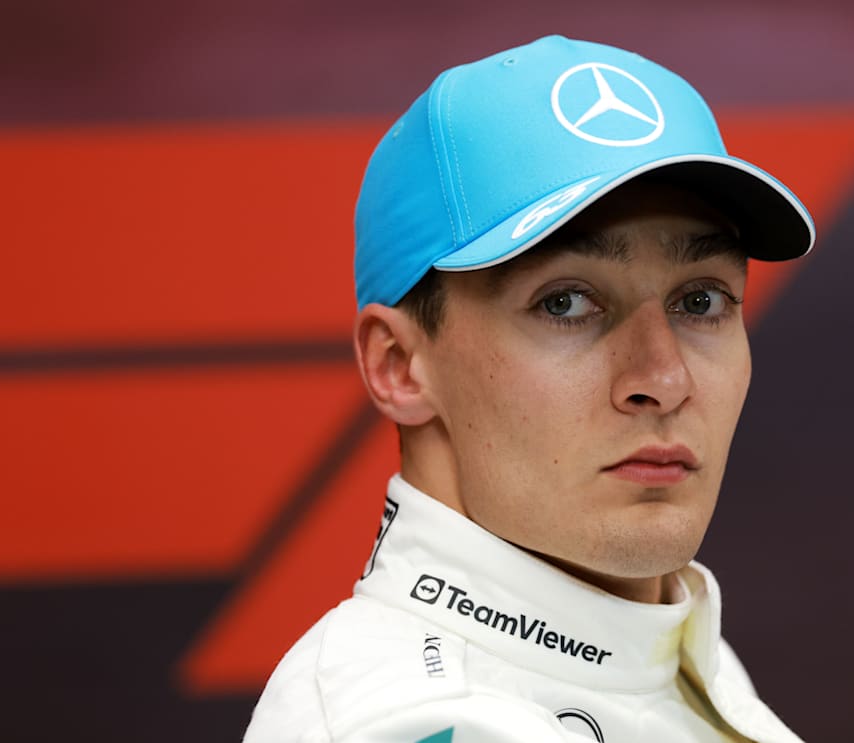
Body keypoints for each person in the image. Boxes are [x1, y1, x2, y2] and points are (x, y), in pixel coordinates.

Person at [243, 35, 814, 743]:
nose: (663, 380)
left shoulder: (671, 653)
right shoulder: (413, 723)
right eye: (567, 303)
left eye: (700, 301)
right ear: (398, 365)